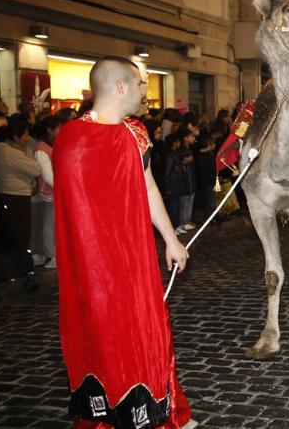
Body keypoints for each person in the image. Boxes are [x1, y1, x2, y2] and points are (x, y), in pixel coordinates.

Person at [53, 57, 192, 428]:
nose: (145, 92)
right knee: (106, 338)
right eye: (141, 84)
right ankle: (110, 415)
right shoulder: (72, 139)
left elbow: (148, 189)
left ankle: (160, 412)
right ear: (120, 87)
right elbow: (75, 214)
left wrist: (170, 239)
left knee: (150, 330)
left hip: (136, 259)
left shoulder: (136, 133)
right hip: (95, 268)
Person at [0, 116, 41, 254]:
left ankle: (18, 263)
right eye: (25, 135)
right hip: (15, 196)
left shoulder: (5, 150)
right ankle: (19, 265)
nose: (27, 138)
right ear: (15, 137)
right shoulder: (10, 152)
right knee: (20, 233)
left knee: (16, 232)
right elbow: (36, 169)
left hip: (11, 195)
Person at [32, 117, 60, 268]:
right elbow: (48, 176)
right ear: (49, 129)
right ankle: (50, 254)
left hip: (52, 192)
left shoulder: (47, 147)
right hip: (49, 193)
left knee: (50, 225)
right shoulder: (41, 149)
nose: (60, 132)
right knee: (49, 225)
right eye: (58, 128)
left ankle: (50, 253)